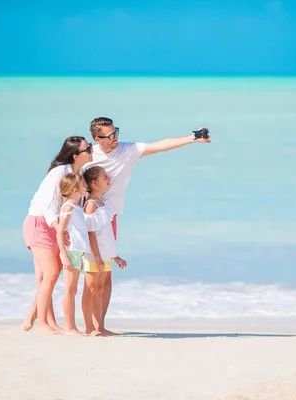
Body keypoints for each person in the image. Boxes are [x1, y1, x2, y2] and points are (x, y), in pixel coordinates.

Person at [80, 117, 211, 329]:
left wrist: (193, 137)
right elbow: (67, 178)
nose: (116, 137)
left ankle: (100, 326)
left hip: (110, 218)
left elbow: (159, 145)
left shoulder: (127, 150)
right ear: (98, 138)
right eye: (110, 135)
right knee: (91, 277)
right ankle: (86, 327)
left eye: (116, 132)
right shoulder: (89, 156)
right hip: (89, 218)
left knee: (106, 275)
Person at [22, 136, 93, 333]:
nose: (92, 151)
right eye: (88, 149)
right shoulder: (60, 173)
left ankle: (42, 321)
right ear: (75, 155)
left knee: (47, 276)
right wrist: (58, 229)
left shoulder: (76, 173)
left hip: (53, 226)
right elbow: (48, 208)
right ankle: (42, 323)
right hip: (40, 224)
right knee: (51, 273)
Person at [81, 166, 127, 336]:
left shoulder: (104, 204)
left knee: (99, 289)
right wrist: (98, 257)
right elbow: (91, 233)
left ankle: (99, 326)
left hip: (106, 254)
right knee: (91, 289)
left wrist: (115, 256)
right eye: (104, 178)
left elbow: (106, 234)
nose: (108, 179)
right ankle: (89, 328)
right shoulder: (91, 205)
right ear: (94, 183)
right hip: (95, 255)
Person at [56, 173, 90, 336]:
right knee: (69, 290)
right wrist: (63, 254)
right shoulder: (68, 207)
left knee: (73, 289)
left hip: (77, 251)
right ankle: (69, 327)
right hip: (71, 252)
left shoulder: (75, 207)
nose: (86, 187)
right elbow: (60, 231)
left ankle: (72, 326)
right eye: (84, 185)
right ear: (75, 189)